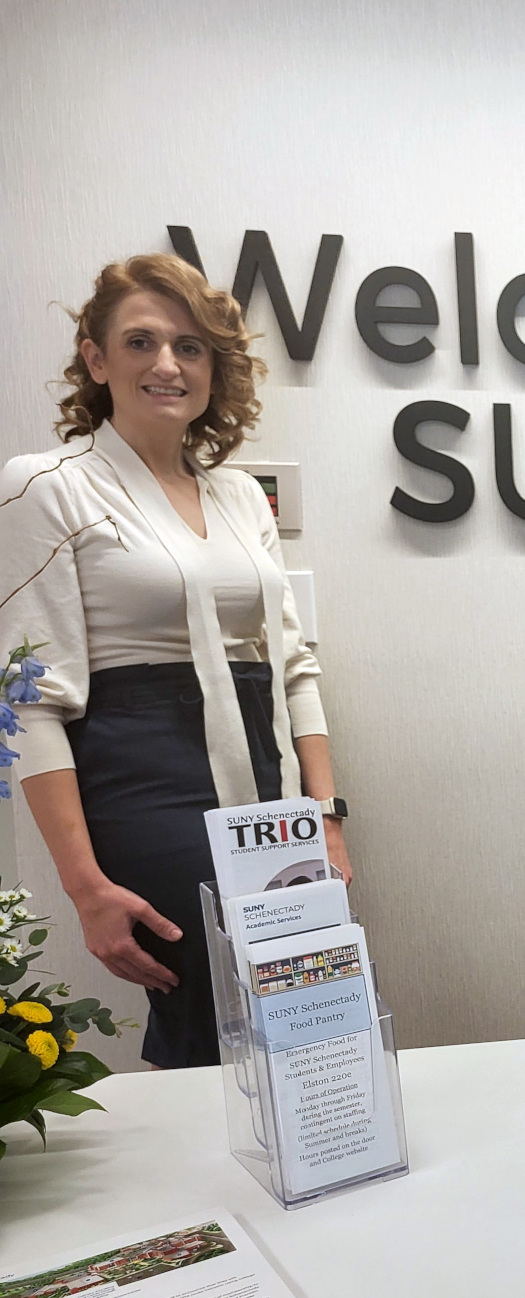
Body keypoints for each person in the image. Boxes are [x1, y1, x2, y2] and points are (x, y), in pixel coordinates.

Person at [0, 254, 352, 1068]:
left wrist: (325, 817)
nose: (167, 364)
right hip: (144, 772)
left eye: (190, 347)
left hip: (266, 770)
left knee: (310, 993)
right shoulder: (47, 485)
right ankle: (217, 1186)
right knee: (207, 995)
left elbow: (293, 664)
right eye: (142, 342)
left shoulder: (235, 493)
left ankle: (311, 1169)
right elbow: (32, 699)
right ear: (96, 358)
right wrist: (86, 888)